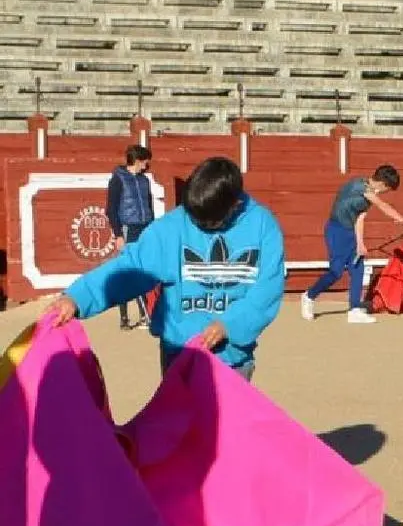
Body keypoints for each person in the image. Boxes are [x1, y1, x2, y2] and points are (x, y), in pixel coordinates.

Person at [45, 156, 286, 381]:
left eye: (208, 222)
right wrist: (77, 297)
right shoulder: (172, 227)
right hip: (179, 353)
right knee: (177, 426)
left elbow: (267, 290)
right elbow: (131, 267)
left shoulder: (262, 226)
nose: (199, 225)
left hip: (233, 359)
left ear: (235, 205)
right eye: (194, 218)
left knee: (226, 426)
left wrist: (230, 324)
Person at [301, 165, 403, 325]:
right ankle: (308, 296)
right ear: (383, 184)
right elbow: (383, 206)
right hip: (337, 230)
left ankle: (354, 309)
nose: (385, 193)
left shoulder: (369, 194)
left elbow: (359, 219)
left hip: (350, 232)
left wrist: (360, 243)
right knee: (336, 272)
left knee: (358, 268)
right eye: (388, 189)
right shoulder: (359, 186)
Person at [106, 144, 155, 330]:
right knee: (127, 271)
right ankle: (125, 318)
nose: (147, 164)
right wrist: (118, 235)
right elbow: (111, 209)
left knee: (142, 270)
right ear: (137, 160)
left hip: (144, 227)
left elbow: (149, 206)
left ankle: (145, 315)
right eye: (145, 161)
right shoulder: (118, 179)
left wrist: (152, 230)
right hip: (128, 229)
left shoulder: (144, 180)